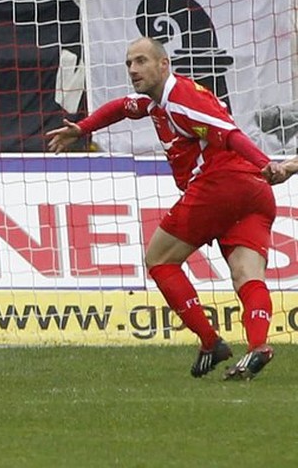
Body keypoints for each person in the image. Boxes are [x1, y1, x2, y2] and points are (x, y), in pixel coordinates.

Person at [47, 37, 277, 380]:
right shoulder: (156, 103)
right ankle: (258, 347)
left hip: (220, 184)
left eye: (141, 61)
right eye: (129, 63)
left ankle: (210, 341)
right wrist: (83, 128)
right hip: (254, 193)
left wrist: (266, 163)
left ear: (164, 64)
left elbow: (229, 134)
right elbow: (122, 107)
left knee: (159, 260)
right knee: (247, 275)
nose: (133, 70)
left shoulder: (181, 98)